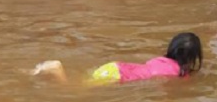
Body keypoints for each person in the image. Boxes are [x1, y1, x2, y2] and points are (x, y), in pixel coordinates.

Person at [33, 32, 203, 84]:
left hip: (116, 67)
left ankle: (42, 70)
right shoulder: (180, 74)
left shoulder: (159, 60)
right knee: (73, 90)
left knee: (82, 81)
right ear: (192, 57)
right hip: (116, 76)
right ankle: (55, 67)